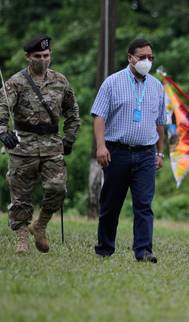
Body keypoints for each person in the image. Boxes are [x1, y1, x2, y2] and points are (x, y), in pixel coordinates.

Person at [0, 35, 80, 254]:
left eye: (46, 55)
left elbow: (72, 112)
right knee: (20, 197)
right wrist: (3, 131)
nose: (43, 60)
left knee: (58, 188)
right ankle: (22, 238)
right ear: (28, 57)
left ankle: (41, 224)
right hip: (23, 146)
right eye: (38, 56)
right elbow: (2, 108)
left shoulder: (60, 81)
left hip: (52, 146)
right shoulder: (16, 82)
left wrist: (70, 138)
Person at [91, 38, 166, 263]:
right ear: (130, 58)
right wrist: (101, 146)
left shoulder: (157, 86)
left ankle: (143, 251)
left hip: (145, 154)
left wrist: (160, 152)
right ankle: (105, 248)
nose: (147, 61)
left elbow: (161, 121)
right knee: (111, 204)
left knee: (144, 204)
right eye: (142, 57)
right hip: (117, 152)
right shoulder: (112, 83)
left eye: (150, 57)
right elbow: (99, 116)